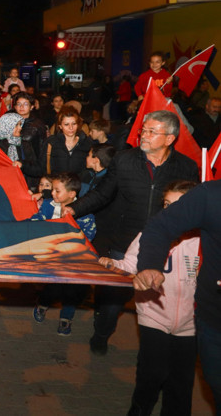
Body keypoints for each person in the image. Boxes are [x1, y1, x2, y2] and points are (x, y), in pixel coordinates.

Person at [63, 110, 199, 355]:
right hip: (123, 242)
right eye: (143, 131)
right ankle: (101, 334)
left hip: (164, 246)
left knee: (163, 297)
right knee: (113, 300)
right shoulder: (124, 160)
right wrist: (73, 209)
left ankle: (159, 348)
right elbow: (103, 193)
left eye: (151, 132)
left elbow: (192, 207)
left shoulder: (186, 167)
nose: (143, 136)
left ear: (169, 139)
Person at [101, 181, 200, 416]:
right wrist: (111, 265)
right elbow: (129, 264)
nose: (170, 211)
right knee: (152, 372)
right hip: (153, 314)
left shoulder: (205, 241)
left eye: (179, 205)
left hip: (192, 323)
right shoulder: (150, 235)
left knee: (181, 382)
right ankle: (139, 409)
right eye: (167, 204)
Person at [134, 179, 221, 410]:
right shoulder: (212, 195)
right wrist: (150, 265)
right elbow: (159, 228)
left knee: (180, 385)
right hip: (213, 322)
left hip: (188, 323)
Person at [32, 172, 95, 336]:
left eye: (57, 191)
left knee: (73, 290)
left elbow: (89, 234)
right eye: (52, 189)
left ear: (72, 194)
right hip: (51, 257)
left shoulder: (84, 213)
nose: (52, 193)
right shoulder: (47, 205)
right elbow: (37, 221)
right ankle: (43, 303)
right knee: (53, 286)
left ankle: (66, 317)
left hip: (74, 259)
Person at [32, 106, 92, 179]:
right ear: (60, 126)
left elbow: (91, 169)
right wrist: (23, 165)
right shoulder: (52, 142)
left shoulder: (87, 142)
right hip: (57, 185)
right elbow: (41, 167)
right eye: (66, 124)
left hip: (79, 186)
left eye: (74, 124)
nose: (71, 128)